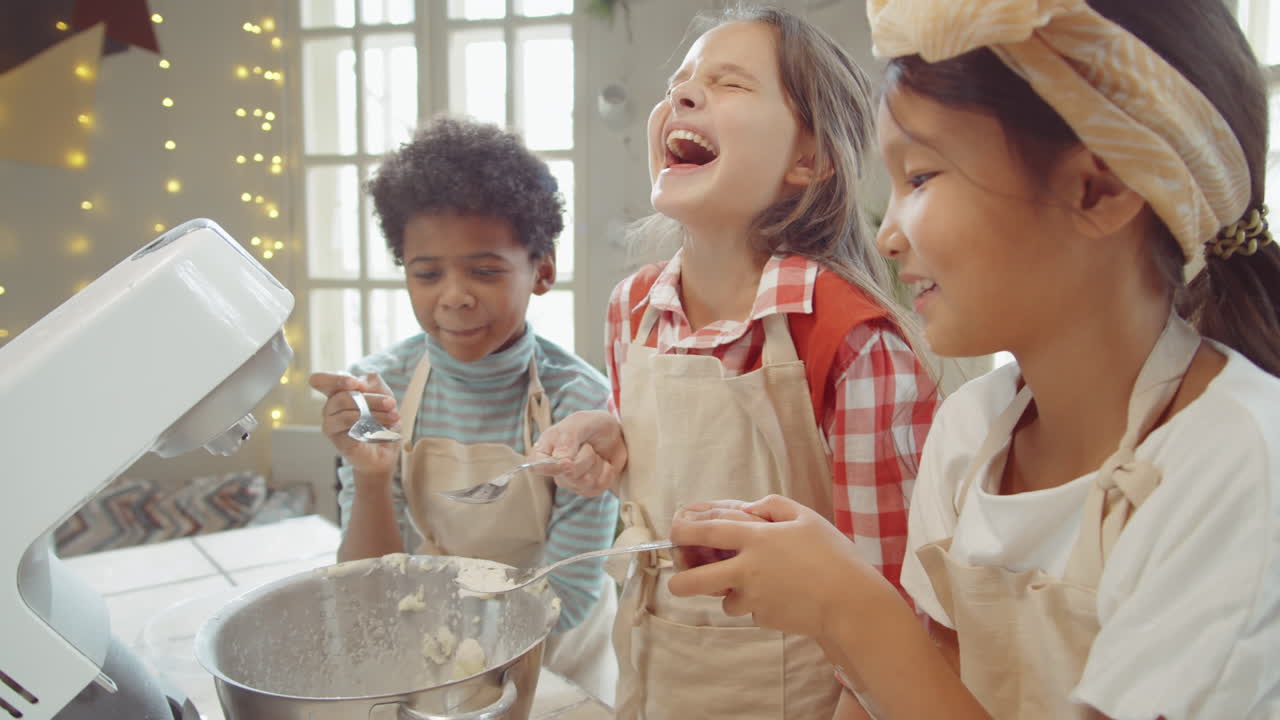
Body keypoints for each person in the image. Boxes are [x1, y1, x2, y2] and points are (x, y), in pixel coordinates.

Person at [668, 0, 1280, 718]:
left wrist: (850, 609)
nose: (889, 236)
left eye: (922, 177)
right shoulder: (970, 430)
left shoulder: (1238, 463)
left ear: (1098, 189)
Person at [532, 7, 938, 719]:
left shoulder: (852, 341)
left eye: (728, 83)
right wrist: (614, 441)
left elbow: (895, 604)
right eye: (682, 82)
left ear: (807, 160)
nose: (683, 97)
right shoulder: (631, 310)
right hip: (650, 686)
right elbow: (675, 460)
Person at [308, 115, 619, 702]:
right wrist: (373, 478)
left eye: (485, 270)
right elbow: (370, 581)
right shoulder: (384, 390)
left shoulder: (579, 402)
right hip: (436, 646)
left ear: (542, 268)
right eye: (427, 273)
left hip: (562, 662)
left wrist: (470, 668)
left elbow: (571, 591)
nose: (453, 295)